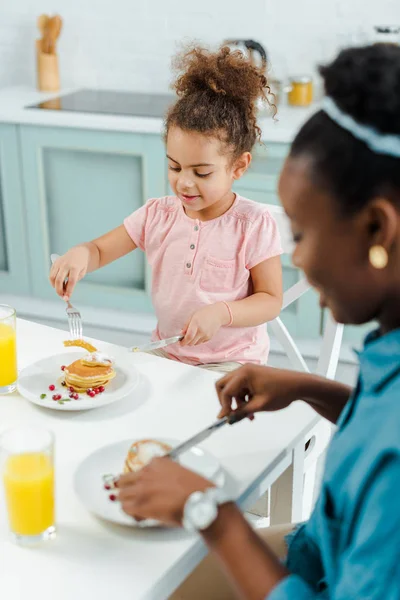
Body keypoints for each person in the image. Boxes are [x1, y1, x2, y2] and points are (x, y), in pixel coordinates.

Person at [114, 43, 400, 599]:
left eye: (300, 233)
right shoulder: (389, 344)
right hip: (315, 553)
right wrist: (307, 387)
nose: (297, 260)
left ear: (376, 229)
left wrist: (211, 513)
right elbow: (377, 428)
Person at [49, 46, 283, 372]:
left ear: (238, 166)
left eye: (201, 173)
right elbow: (100, 250)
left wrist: (222, 313)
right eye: (175, 167)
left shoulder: (252, 224)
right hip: (168, 353)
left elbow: (271, 300)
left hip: (233, 364)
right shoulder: (157, 216)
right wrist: (80, 255)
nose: (184, 183)